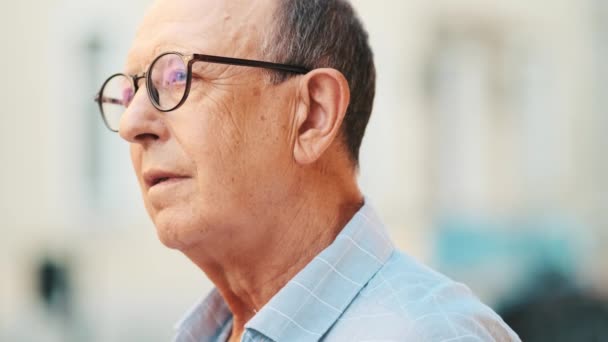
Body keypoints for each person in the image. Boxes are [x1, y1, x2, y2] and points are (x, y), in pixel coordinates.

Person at [94, 0, 520, 341]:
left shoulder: (428, 334)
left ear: (313, 115)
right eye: (131, 90)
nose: (132, 124)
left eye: (177, 76)